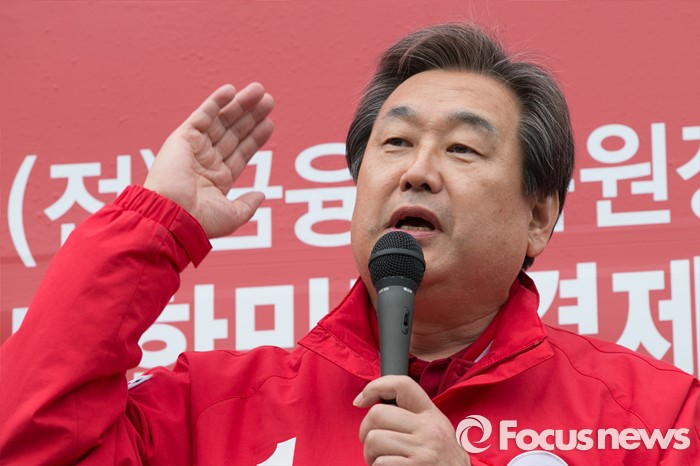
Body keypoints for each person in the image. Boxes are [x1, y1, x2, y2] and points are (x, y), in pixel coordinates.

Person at [0, 23, 698, 466]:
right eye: (394, 143)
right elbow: (29, 442)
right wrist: (153, 224)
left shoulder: (653, 417)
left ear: (539, 217)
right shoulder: (210, 412)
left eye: (461, 148)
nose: (416, 170)